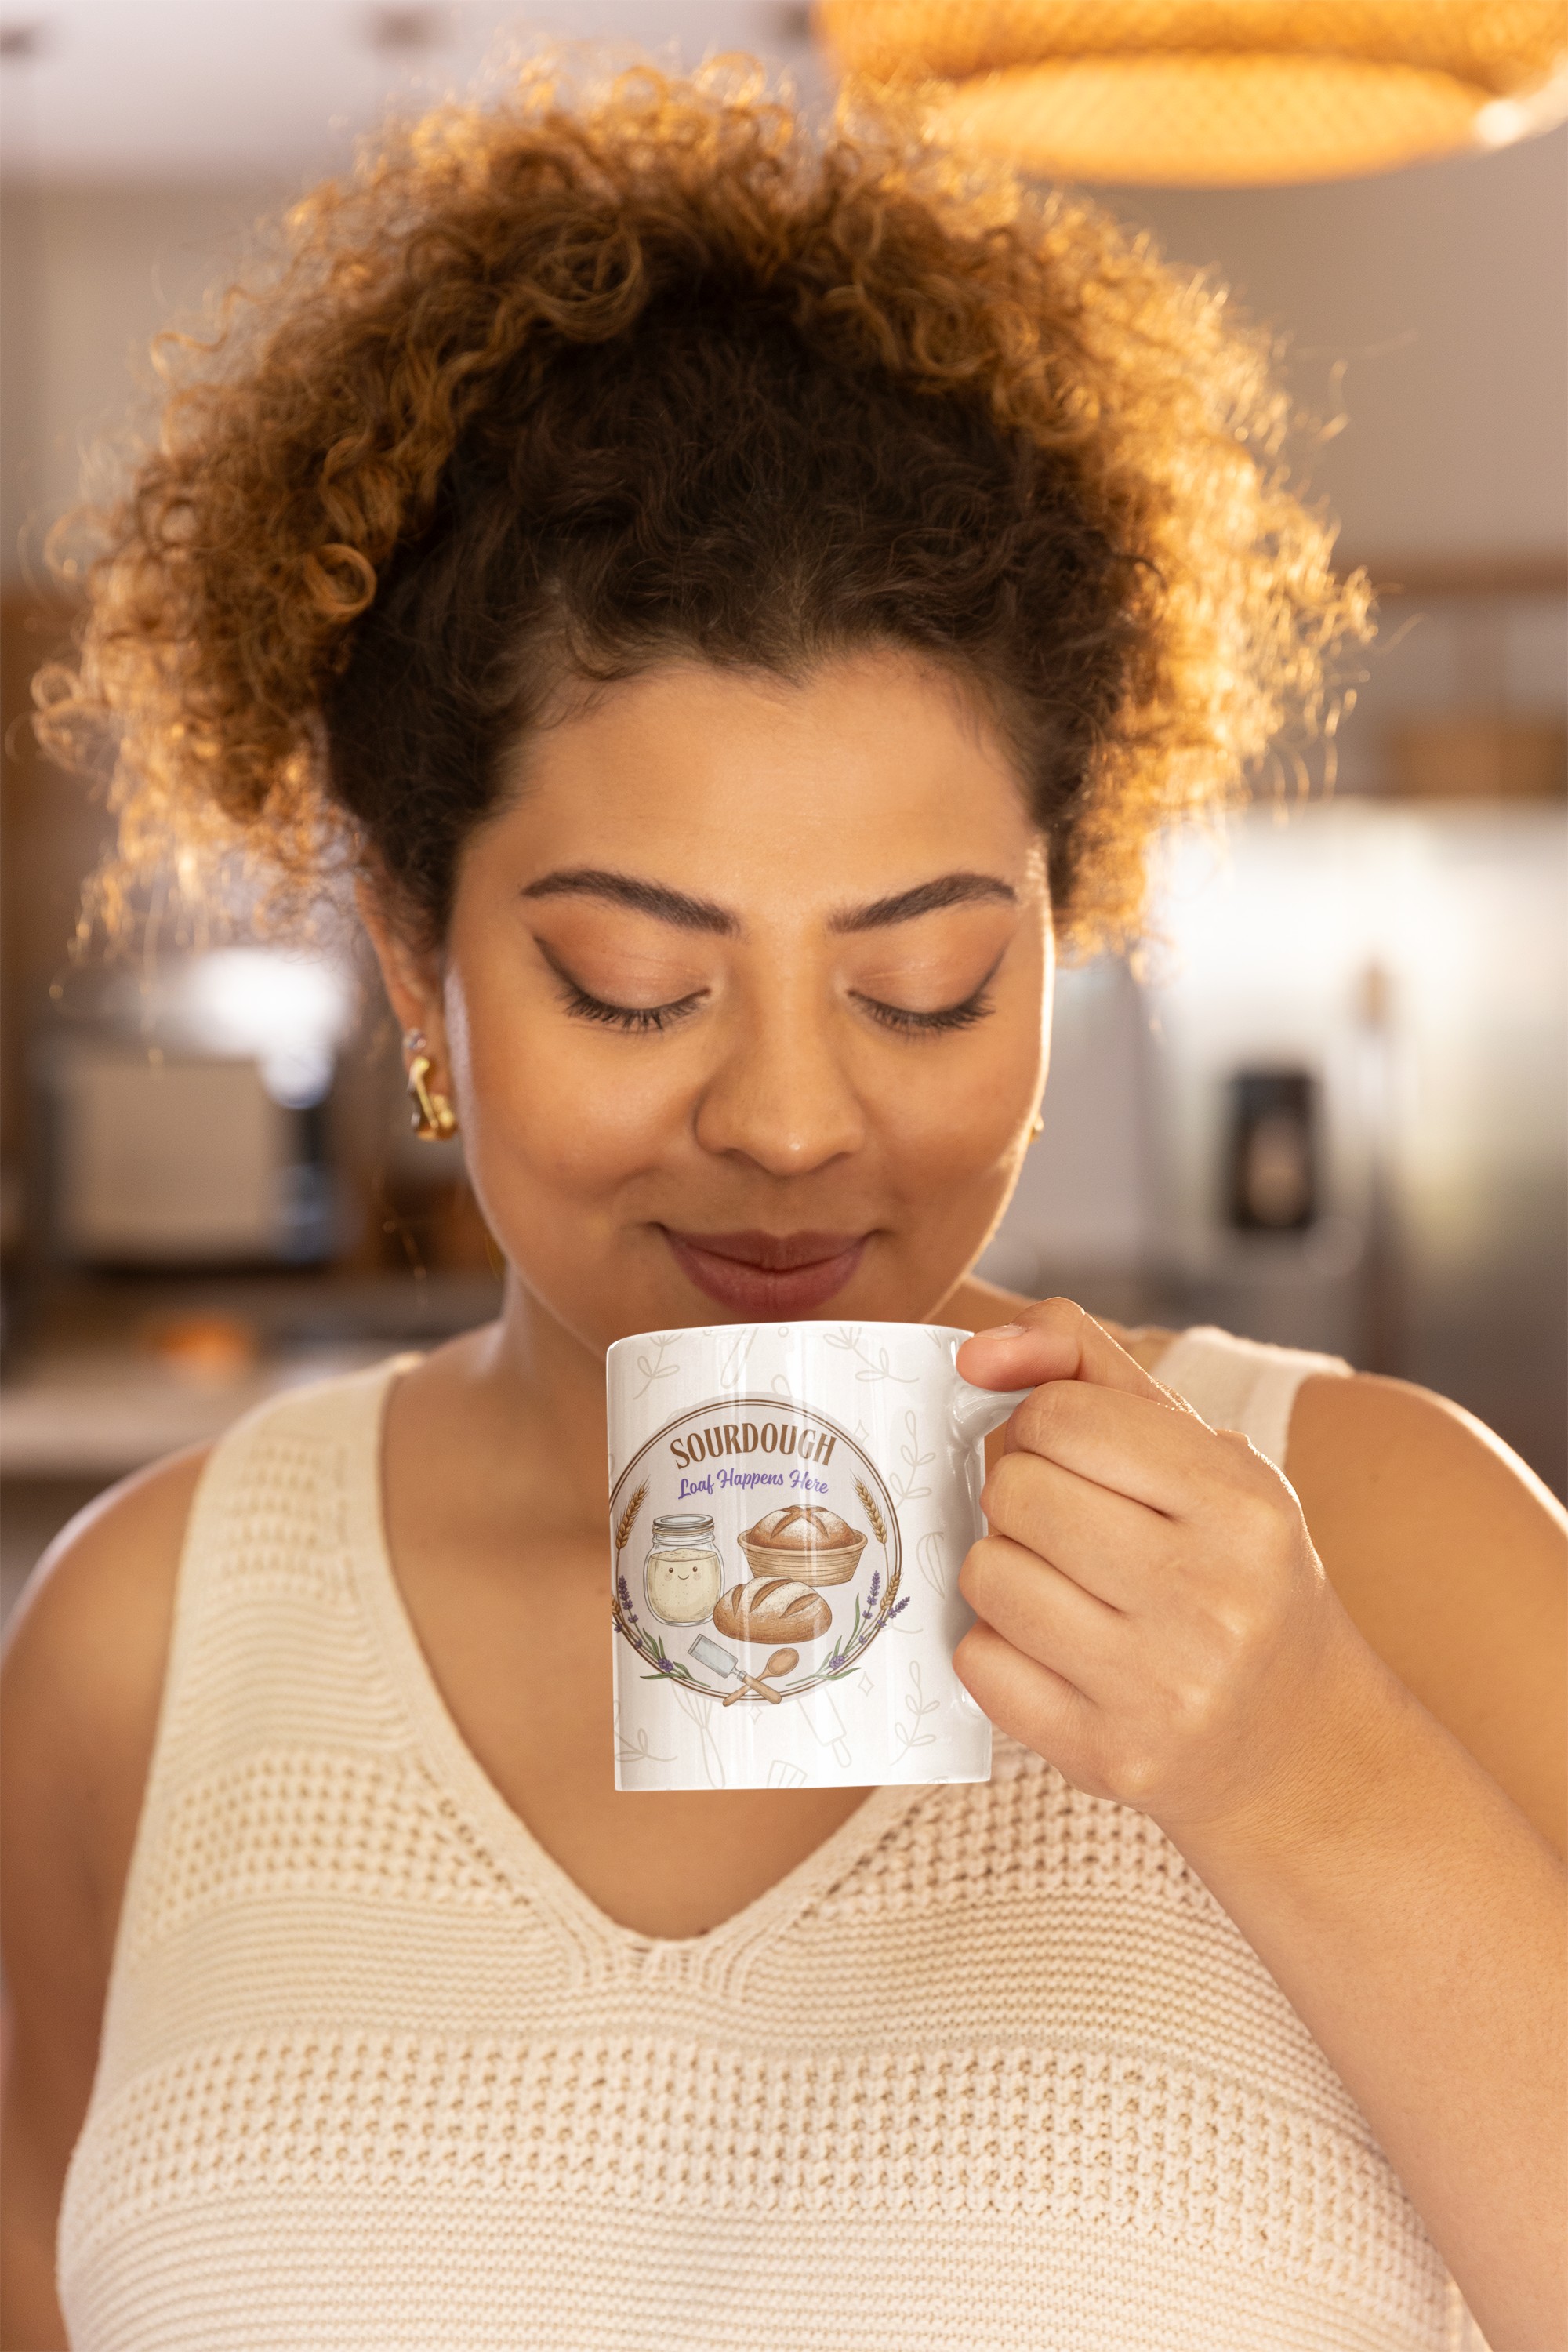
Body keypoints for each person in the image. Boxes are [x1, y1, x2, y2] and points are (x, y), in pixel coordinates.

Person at [1, 59, 1565, 2352]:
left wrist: (1288, 1757)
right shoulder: (152, 1640)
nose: (798, 1123)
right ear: (415, 960)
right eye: (636, 987)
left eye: (928, 985)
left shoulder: (1387, 1542)